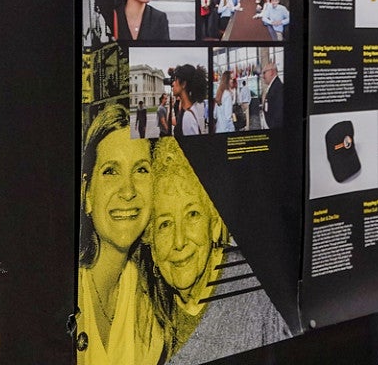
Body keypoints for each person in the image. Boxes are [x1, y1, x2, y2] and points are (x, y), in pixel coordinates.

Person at [145, 138, 290, 363]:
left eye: (192, 214)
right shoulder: (144, 313)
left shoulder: (257, 289)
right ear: (152, 246)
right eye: (165, 224)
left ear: (214, 225)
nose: (179, 240)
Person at [76, 104, 163, 365]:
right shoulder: (64, 290)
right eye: (111, 171)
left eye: (141, 170)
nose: (128, 191)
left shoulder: (148, 300)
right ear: (87, 194)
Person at [169, 64, 205, 137]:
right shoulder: (189, 108)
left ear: (183, 84)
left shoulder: (188, 117)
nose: (173, 83)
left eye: (175, 80)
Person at [259, 59, 283, 130]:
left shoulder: (278, 88)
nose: (263, 76)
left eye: (264, 73)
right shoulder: (273, 87)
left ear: (272, 72)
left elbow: (279, 114)